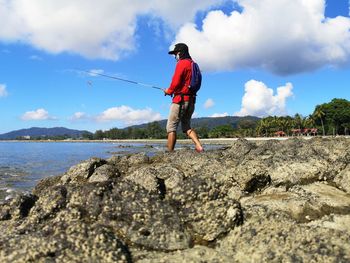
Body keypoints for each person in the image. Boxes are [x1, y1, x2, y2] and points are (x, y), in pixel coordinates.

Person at [164, 43, 204, 152]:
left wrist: (169, 91)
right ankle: (199, 146)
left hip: (180, 100)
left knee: (171, 127)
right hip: (191, 100)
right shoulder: (193, 64)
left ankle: (170, 153)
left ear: (180, 53)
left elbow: (175, 82)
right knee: (186, 126)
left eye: (175, 54)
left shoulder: (182, 63)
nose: (175, 56)